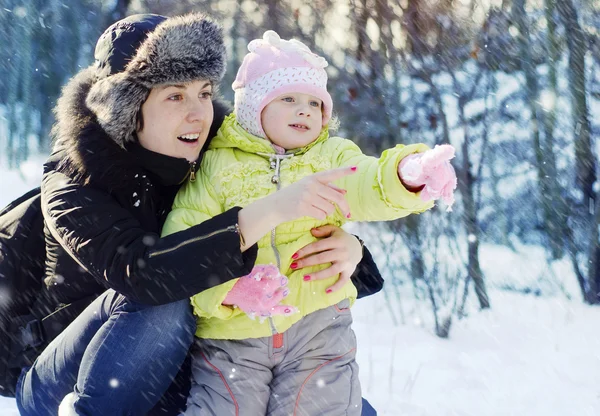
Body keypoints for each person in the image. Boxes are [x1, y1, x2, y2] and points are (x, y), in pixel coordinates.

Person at [14, 14, 383, 416]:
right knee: (165, 302)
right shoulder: (74, 181)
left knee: (348, 407)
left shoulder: (227, 154)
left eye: (204, 93)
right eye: (175, 96)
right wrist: (266, 212)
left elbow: (294, 237)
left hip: (183, 370)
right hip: (62, 380)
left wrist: (351, 252)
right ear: (127, 107)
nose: (198, 114)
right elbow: (144, 275)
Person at [162, 30, 457, 415]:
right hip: (232, 338)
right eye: (288, 99)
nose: (304, 110)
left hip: (317, 330)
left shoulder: (331, 157)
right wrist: (227, 292)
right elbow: (184, 241)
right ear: (253, 107)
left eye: (314, 103)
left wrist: (409, 173)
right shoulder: (216, 166)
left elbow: (368, 181)